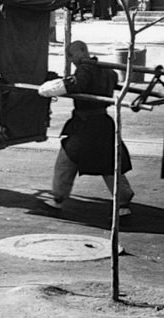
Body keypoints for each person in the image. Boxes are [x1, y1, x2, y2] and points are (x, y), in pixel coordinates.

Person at [38, 40, 135, 216]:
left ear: (82, 51)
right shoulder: (107, 70)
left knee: (66, 159)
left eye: (71, 55)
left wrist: (47, 88)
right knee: (109, 163)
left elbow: (76, 84)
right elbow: (110, 81)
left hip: (85, 123)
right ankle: (123, 202)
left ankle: (58, 198)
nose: (71, 60)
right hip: (103, 122)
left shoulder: (85, 68)